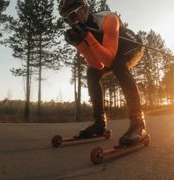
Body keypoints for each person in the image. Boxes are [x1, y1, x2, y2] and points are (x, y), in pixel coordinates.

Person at [59, 0, 148, 146]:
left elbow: (108, 60)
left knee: (119, 65)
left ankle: (139, 123)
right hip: (109, 51)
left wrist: (87, 37)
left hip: (130, 45)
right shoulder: (81, 28)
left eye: (73, 15)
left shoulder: (108, 19)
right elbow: (97, 65)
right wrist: (80, 45)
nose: (71, 22)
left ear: (84, 9)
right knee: (91, 73)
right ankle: (99, 124)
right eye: (66, 18)